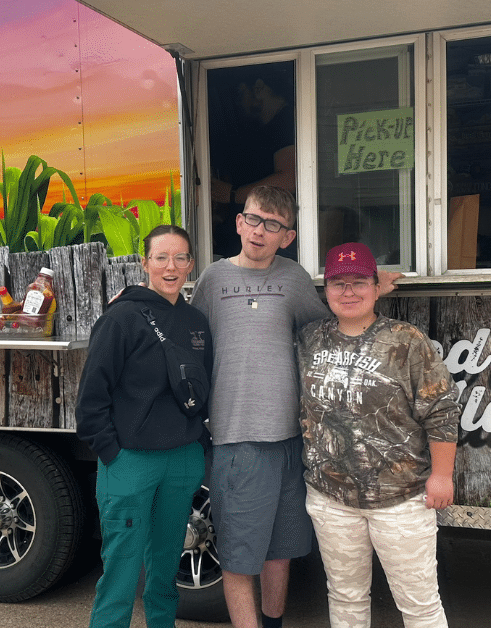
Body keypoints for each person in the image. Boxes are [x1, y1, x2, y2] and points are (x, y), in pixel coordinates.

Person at [297, 242, 460, 628]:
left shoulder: (405, 340)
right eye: (338, 283)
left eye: (359, 283)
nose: (348, 292)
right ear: (325, 289)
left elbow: (441, 409)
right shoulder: (309, 338)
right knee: (346, 597)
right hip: (330, 496)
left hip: (400, 498)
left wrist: (441, 475)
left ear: (376, 286)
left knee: (419, 604)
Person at [190, 185, 329, 628]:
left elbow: (325, 330)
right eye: (253, 219)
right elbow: (187, 337)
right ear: (238, 222)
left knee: (280, 554)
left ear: (286, 236)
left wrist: (371, 291)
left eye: (272, 225)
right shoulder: (213, 279)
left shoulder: (294, 278)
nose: (259, 231)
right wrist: (139, 303)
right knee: (239, 559)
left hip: (291, 439)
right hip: (238, 439)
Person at [75, 225, 212, 628]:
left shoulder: (196, 322)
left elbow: (205, 387)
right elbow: (91, 399)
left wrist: (198, 443)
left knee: (166, 569)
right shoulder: (121, 318)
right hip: (130, 460)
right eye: (161, 258)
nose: (171, 267)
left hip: (182, 459)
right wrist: (113, 454)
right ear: (145, 263)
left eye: (181, 258)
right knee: (120, 572)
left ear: (191, 264)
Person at [208, 64, 297, 260]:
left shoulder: (285, 123)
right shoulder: (265, 128)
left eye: (240, 94)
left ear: (258, 88)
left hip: (272, 246)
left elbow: (289, 179)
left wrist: (232, 194)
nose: (239, 103)